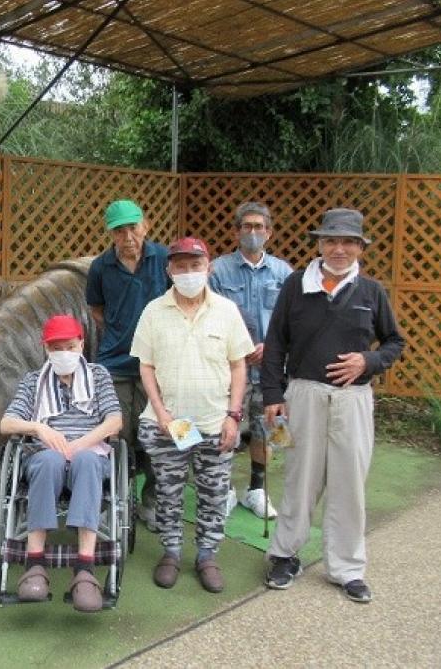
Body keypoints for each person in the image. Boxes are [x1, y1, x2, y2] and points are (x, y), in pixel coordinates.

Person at [259, 208, 404, 603]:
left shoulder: (371, 291)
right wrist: (272, 395)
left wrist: (368, 361)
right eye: (331, 241)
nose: (339, 249)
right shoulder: (295, 285)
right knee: (299, 479)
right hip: (303, 394)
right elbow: (275, 344)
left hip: (353, 399)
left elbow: (395, 342)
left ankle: (347, 568)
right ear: (320, 244)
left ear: (360, 247)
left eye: (348, 242)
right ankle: (285, 555)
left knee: (349, 484)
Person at [131, 237, 255, 593]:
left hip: (215, 423)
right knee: (167, 492)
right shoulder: (154, 311)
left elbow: (238, 365)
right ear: (169, 270)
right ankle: (170, 552)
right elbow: (146, 367)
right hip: (168, 425)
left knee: (213, 493)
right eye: (180, 267)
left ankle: (206, 555)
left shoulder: (227, 311)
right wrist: (161, 412)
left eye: (195, 266)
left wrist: (233, 415)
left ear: (208, 267)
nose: (188, 273)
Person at [0, 314, 122, 613]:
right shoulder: (33, 381)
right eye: (56, 347)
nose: (63, 352)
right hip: (46, 455)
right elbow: (6, 423)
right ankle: (35, 564)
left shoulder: (98, 375)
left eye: (69, 345)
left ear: (81, 344)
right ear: (46, 349)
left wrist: (80, 444)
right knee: (49, 461)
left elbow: (115, 421)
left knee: (87, 461)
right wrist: (39, 428)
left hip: (88, 453)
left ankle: (85, 569)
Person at [86, 199, 169, 531]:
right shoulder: (100, 267)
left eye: (132, 227)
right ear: (111, 234)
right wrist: (122, 329)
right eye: (119, 231)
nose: (128, 236)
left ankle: (151, 501)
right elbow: (96, 310)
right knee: (115, 434)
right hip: (115, 363)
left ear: (145, 226)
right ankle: (114, 501)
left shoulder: (164, 259)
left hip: (160, 364)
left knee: (157, 436)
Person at [209, 201, 293, 520]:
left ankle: (256, 489)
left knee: (268, 430)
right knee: (227, 428)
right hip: (231, 369)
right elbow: (210, 317)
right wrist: (241, 347)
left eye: (260, 227)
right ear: (236, 231)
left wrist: (271, 347)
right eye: (247, 227)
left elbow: (291, 321)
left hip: (272, 370)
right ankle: (226, 489)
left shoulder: (284, 273)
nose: (254, 232)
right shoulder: (217, 270)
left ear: (269, 232)